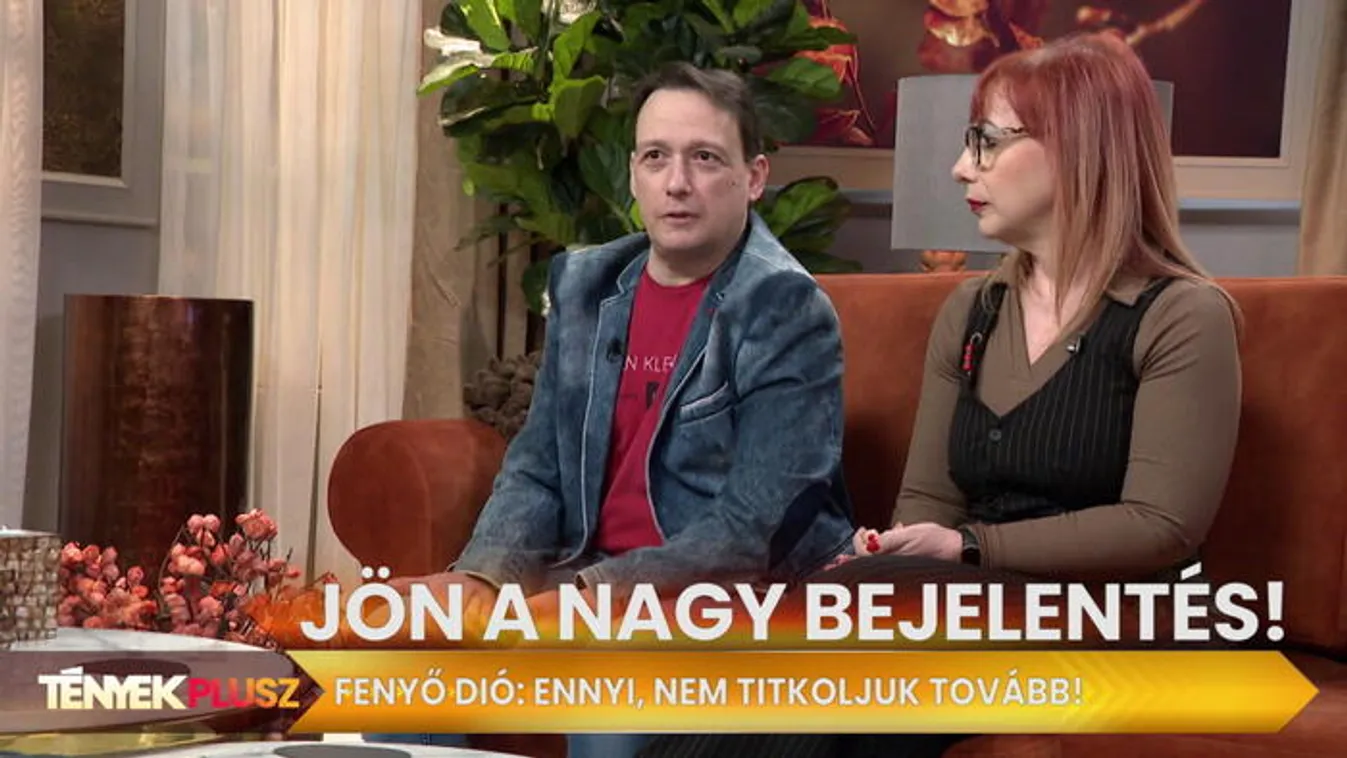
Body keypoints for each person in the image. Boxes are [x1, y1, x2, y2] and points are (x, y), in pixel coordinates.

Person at [636, 30, 1242, 758]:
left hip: (1119, 616)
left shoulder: (1181, 315)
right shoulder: (972, 310)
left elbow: (1160, 526)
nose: (960, 167)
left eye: (986, 142)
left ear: (1076, 148)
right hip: (974, 602)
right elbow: (929, 501)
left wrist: (967, 548)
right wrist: (898, 552)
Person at [367, 60, 855, 758]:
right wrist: (481, 578)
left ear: (753, 177)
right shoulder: (589, 286)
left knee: (605, 702)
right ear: (632, 174)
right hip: (590, 579)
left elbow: (754, 528)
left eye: (705, 158)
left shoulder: (784, 308)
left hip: (728, 600)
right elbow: (539, 467)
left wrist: (592, 596)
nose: (677, 182)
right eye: (656, 157)